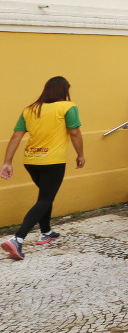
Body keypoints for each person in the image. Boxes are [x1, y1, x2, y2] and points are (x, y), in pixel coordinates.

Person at [1, 77, 86, 259]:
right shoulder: (68, 106)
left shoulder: (29, 109)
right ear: (64, 90)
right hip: (52, 161)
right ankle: (18, 239)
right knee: (46, 198)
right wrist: (80, 154)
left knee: (44, 196)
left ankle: (46, 232)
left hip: (31, 160)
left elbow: (16, 136)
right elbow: (75, 132)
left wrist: (7, 162)